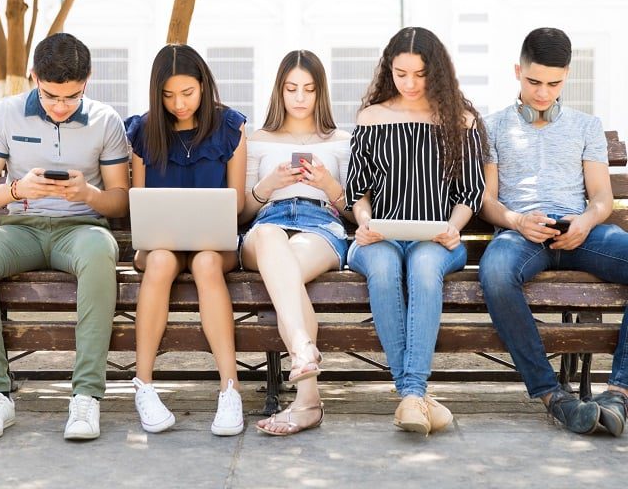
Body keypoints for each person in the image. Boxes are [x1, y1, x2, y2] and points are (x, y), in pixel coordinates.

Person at [479, 27, 628, 436]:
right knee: (494, 272)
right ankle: (551, 394)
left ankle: (618, 393)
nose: (543, 93)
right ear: (517, 71)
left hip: (579, 233)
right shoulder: (491, 127)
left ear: (567, 77)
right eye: (533, 82)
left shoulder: (585, 126)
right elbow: (488, 200)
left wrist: (585, 221)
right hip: (521, 234)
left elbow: (601, 197)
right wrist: (515, 221)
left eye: (554, 83)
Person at [0, 33, 130, 440]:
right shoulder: (5, 114)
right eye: (50, 96)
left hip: (82, 230)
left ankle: (85, 397)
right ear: (34, 78)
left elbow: (120, 201)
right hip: (22, 230)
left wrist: (88, 194)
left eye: (71, 97)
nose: (60, 107)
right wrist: (16, 190)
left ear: (89, 80)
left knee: (101, 251)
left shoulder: (105, 120)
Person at [346, 27, 486, 435]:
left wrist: (453, 229)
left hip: (438, 239)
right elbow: (358, 191)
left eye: (420, 74)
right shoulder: (371, 118)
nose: (409, 83)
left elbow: (470, 192)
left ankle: (411, 394)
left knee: (425, 267)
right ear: (389, 70)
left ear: (436, 72)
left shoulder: (461, 121)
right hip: (380, 237)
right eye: (400, 73)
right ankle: (417, 397)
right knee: (385, 266)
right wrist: (365, 222)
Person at [125, 44, 246, 436]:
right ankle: (143, 384)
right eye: (168, 95)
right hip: (160, 245)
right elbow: (139, 201)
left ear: (204, 86)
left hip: (214, 245)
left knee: (206, 261)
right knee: (160, 260)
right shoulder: (144, 132)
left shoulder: (230, 128)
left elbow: (238, 202)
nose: (179, 104)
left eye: (188, 93)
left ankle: (230, 389)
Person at [240, 50, 351, 436]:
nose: (300, 97)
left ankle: (308, 398)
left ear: (321, 92)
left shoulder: (340, 140)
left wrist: (328, 185)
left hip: (321, 224)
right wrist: (267, 186)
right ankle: (303, 353)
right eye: (292, 89)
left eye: (309, 88)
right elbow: (241, 213)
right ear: (279, 91)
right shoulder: (257, 139)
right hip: (268, 221)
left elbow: (354, 212)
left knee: (285, 272)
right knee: (272, 241)